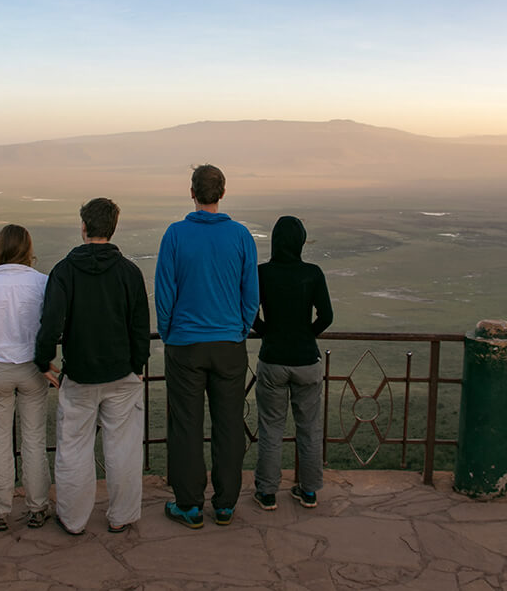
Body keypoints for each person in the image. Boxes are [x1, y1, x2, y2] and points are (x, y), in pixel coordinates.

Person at [34, 198, 150, 535]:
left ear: (83, 227)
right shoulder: (129, 272)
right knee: (124, 449)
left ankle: (73, 519)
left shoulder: (64, 271)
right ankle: (122, 516)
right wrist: (138, 364)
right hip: (122, 374)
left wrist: (43, 361)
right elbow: (140, 325)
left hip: (80, 375)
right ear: (113, 229)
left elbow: (51, 323)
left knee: (73, 449)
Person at [155, 164, 259, 528]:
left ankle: (189, 505)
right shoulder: (241, 236)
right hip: (229, 343)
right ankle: (226, 504)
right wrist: (240, 328)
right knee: (229, 425)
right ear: (223, 193)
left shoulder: (175, 235)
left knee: (185, 426)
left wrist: (169, 333)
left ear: (192, 193)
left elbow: (164, 294)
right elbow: (251, 295)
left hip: (185, 344)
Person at [0, 224, 52, 532]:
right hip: (33, 367)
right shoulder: (42, 282)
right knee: (34, 438)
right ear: (28, 250)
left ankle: (0, 509)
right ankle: (38, 507)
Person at [251, 216, 333, 511]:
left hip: (273, 360)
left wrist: (267, 333)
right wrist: (305, 337)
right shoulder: (312, 273)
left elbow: (249, 311)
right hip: (306, 362)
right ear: (301, 241)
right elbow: (326, 316)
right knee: (309, 428)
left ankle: (267, 492)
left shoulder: (262, 273)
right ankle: (309, 491)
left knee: (271, 428)